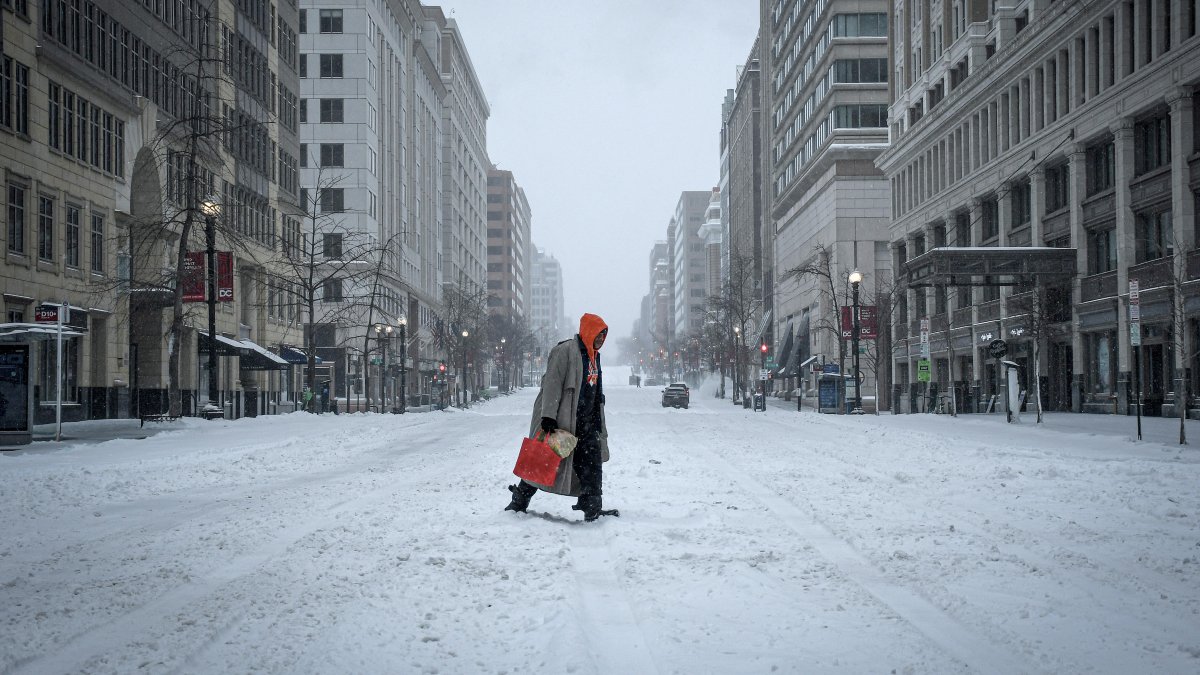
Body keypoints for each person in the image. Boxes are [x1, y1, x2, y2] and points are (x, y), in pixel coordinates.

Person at [506, 313, 616, 521]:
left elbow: (595, 389)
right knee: (544, 459)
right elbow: (552, 383)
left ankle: (593, 507)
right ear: (588, 331)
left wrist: (598, 420)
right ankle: (519, 500)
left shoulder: (595, 357)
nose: (601, 339)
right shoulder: (565, 351)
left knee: (592, 463)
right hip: (563, 418)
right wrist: (548, 416)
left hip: (587, 422)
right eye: (599, 334)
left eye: (604, 336)